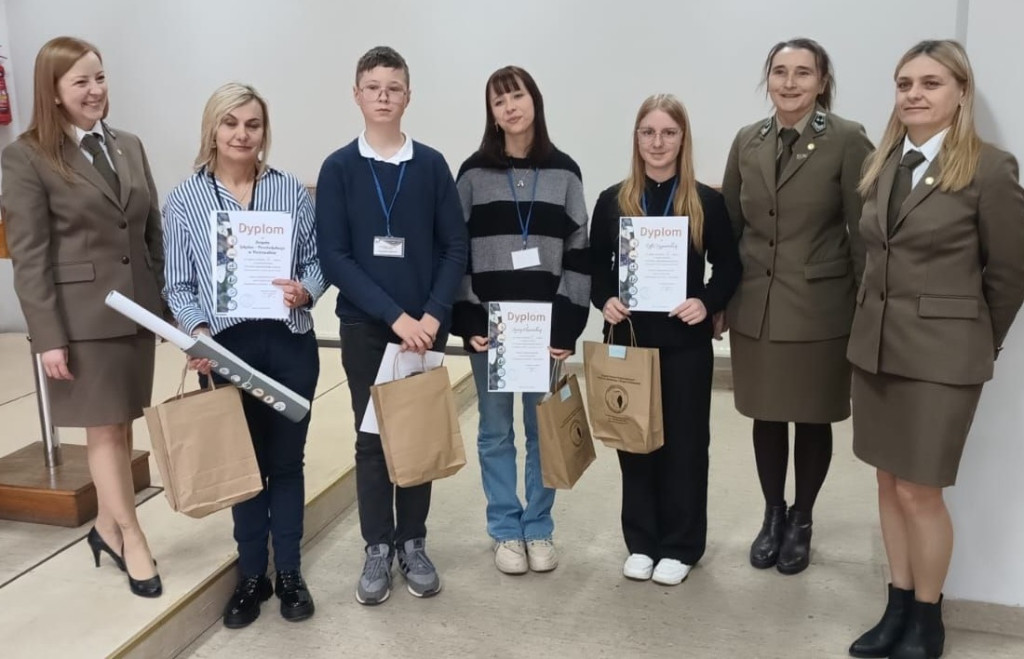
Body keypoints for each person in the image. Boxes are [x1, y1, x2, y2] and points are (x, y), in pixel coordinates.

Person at [846, 40, 1024, 659]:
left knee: (922, 490)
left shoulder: (990, 168)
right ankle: (896, 605)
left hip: (942, 357)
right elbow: (873, 255)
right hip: (875, 351)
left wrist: (976, 341)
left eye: (930, 83)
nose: (914, 95)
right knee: (887, 482)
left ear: (960, 92)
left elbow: (1008, 275)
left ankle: (927, 618)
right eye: (904, 84)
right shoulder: (883, 163)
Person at [1, 36, 164, 598]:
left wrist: (162, 307)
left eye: (100, 77)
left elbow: (149, 233)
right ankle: (133, 539)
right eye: (81, 82)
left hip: (137, 312)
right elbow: (30, 257)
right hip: (81, 320)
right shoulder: (25, 157)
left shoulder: (128, 145)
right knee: (104, 433)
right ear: (53, 91)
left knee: (122, 425)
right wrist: (48, 337)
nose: (95, 91)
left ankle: (104, 530)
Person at [163, 82, 326, 627]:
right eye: (230, 123)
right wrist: (199, 332)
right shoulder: (187, 199)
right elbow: (179, 285)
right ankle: (251, 574)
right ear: (213, 128)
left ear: (264, 131)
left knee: (285, 462)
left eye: (252, 124)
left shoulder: (290, 192)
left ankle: (291, 574)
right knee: (244, 465)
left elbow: (319, 260)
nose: (241, 134)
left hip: (288, 343)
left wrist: (305, 290)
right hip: (228, 346)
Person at [315, 46, 468, 605]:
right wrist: (394, 316)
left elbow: (455, 245)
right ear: (357, 94)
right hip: (367, 327)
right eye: (373, 87)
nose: (383, 96)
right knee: (372, 442)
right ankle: (377, 546)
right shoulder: (338, 169)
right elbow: (335, 257)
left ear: (408, 96)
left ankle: (414, 542)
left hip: (427, 328)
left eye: (394, 87)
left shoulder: (430, 165)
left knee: (419, 436)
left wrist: (430, 315)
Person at [721, 37, 873, 575]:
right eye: (780, 72)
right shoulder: (747, 140)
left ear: (822, 81)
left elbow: (864, 232)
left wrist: (866, 309)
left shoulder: (848, 139)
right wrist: (719, 299)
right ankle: (773, 514)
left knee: (811, 418)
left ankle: (803, 519)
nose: (789, 83)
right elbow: (729, 229)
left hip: (820, 307)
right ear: (768, 80)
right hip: (756, 305)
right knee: (766, 415)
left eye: (802, 73)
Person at [590, 93, 740, 586]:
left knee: (685, 446)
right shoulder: (613, 200)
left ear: (682, 139)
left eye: (668, 133)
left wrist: (707, 301)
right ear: (636, 139)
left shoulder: (706, 201)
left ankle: (680, 546)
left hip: (685, 345)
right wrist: (604, 300)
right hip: (629, 341)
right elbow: (595, 271)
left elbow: (730, 266)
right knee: (635, 443)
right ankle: (641, 542)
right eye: (648, 132)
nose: (658, 142)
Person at [452, 65, 590, 575]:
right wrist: (466, 317)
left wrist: (566, 324)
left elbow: (580, 250)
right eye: (498, 101)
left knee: (542, 430)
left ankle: (539, 528)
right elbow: (455, 251)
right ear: (491, 113)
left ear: (535, 100)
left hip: (541, 331)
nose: (510, 108)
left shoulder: (566, 173)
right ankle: (506, 530)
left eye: (518, 96)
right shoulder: (471, 174)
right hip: (489, 331)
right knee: (493, 432)